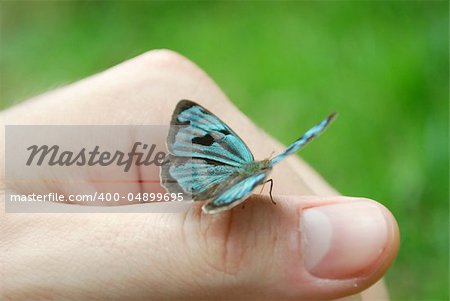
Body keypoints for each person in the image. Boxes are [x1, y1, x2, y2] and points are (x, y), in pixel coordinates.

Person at [0, 49, 399, 300]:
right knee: (255, 183)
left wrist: (251, 179)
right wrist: (259, 182)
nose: (265, 168)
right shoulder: (261, 170)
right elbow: (272, 164)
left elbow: (258, 166)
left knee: (246, 181)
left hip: (218, 177)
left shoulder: (251, 164)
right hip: (234, 182)